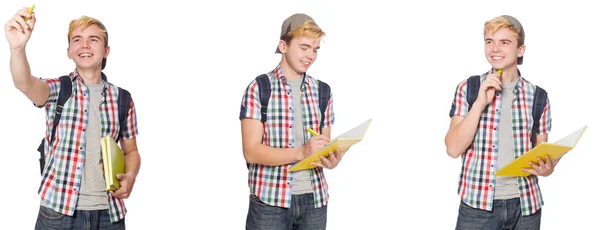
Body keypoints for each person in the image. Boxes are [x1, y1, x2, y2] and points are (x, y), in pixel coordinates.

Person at [5, 7, 140, 229]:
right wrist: (17, 48)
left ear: (106, 51)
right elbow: (24, 83)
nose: (85, 45)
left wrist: (131, 176)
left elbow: (131, 151)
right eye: (77, 39)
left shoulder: (123, 99)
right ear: (69, 51)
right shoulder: (59, 89)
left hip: (110, 215)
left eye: (93, 39)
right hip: (57, 213)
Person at [445, 15, 557, 230]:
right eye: (489, 41)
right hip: (478, 207)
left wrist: (547, 169)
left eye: (504, 42)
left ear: (520, 50)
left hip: (526, 207)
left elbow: (541, 153)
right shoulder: (469, 88)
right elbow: (452, 148)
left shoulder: (538, 96)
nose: (495, 49)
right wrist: (479, 103)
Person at [239, 13, 346, 230]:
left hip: (314, 201)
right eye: (304, 47)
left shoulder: (323, 91)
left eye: (315, 49)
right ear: (283, 46)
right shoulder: (259, 89)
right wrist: (301, 152)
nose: (311, 55)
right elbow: (251, 151)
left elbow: (321, 145)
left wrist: (331, 158)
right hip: (270, 202)